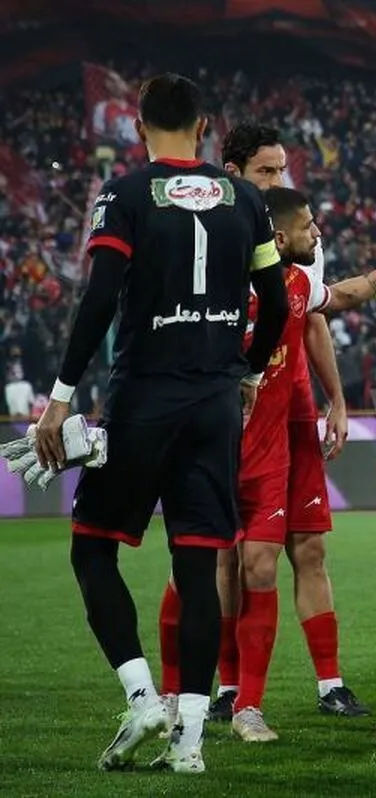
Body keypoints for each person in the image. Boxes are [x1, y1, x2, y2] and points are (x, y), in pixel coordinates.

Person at [33, 73, 288, 774]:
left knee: (92, 549)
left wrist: (60, 397)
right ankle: (190, 743)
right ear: (204, 127)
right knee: (198, 564)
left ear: (139, 127)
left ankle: (145, 697)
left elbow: (100, 297)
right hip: (214, 404)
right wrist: (248, 373)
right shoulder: (245, 198)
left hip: (145, 398)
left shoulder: (124, 194)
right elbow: (275, 303)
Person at [220, 187, 376, 741]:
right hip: (220, 450)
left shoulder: (296, 284)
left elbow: (342, 296)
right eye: (309, 227)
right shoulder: (221, 293)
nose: (318, 234)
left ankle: (258, 704)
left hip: (277, 444)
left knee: (274, 562)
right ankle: (200, 695)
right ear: (278, 237)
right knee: (219, 566)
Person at [157, 123, 356, 728]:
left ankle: (329, 684)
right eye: (266, 171)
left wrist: (335, 399)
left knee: (305, 547)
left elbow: (310, 315)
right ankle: (228, 689)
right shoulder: (209, 232)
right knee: (223, 558)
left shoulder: (296, 236)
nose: (277, 180)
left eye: (281, 170)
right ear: (234, 172)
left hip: (288, 407)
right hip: (223, 411)